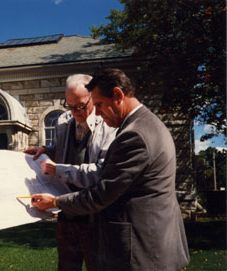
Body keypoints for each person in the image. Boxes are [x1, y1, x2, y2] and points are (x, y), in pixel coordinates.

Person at [31, 68, 190, 270]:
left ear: (117, 95)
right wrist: (46, 150)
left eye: (98, 104)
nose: (96, 113)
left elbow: (102, 193)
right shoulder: (146, 124)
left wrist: (54, 201)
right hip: (154, 243)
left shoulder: (134, 135)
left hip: (142, 251)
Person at [25, 74, 116, 271]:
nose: (74, 112)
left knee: (97, 266)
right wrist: (46, 150)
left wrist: (58, 169)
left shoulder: (108, 125)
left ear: (93, 98)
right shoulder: (64, 121)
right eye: (70, 105)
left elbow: (100, 172)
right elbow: (64, 149)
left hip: (95, 213)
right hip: (66, 211)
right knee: (66, 266)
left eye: (80, 106)